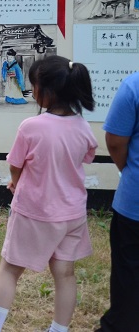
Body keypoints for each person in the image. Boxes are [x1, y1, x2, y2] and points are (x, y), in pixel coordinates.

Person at [0, 56, 97, 332]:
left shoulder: (32, 127)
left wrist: (15, 181)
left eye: (34, 85)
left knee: (10, 269)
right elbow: (86, 157)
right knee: (65, 274)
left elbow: (16, 163)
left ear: (48, 91)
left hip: (35, 212)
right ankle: (59, 329)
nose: (32, 91)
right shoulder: (82, 126)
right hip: (72, 214)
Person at [97, 71, 139, 331]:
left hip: (135, 205)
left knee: (129, 273)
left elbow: (115, 142)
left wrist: (131, 171)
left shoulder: (133, 85)